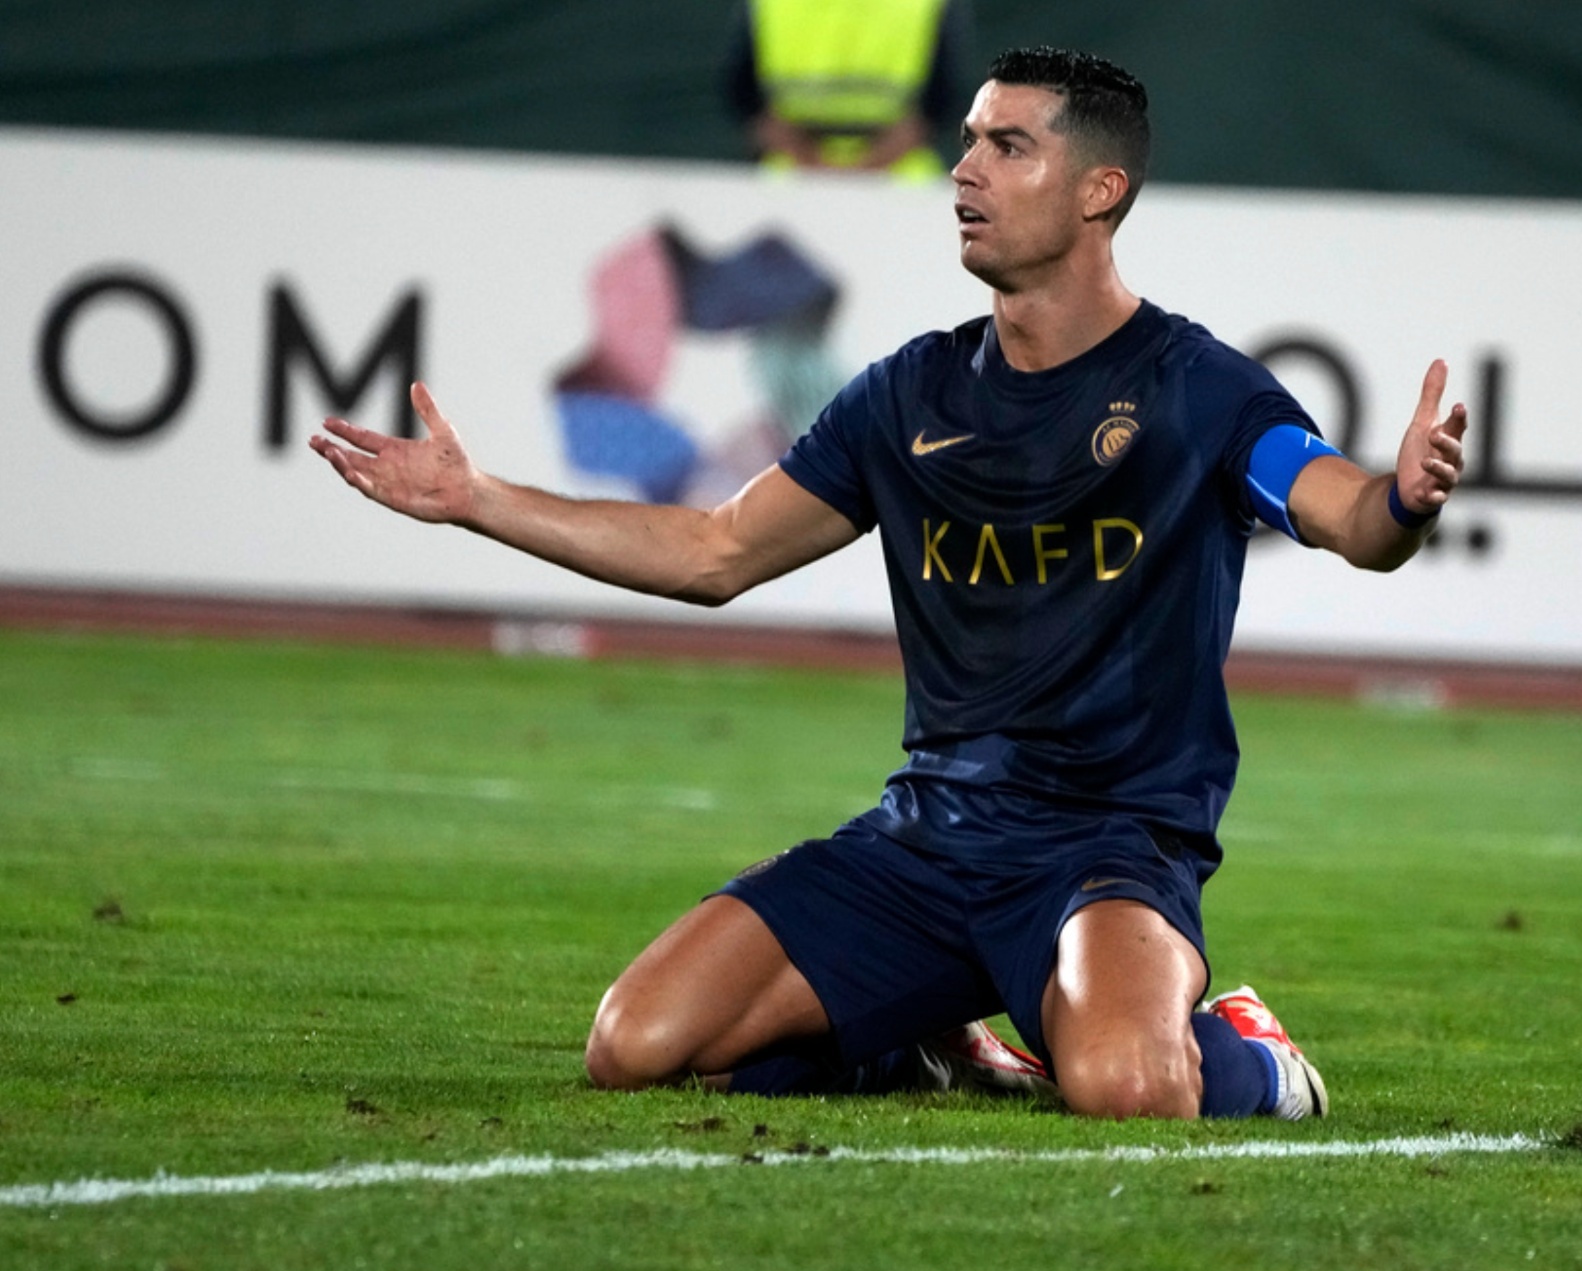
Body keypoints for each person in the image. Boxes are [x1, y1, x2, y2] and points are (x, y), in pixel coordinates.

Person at [310, 47, 1466, 1121]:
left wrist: (1403, 499)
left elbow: (1347, 516)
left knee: (1125, 1085)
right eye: (968, 139)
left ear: (1098, 190)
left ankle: (1253, 1055)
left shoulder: (1198, 389)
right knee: (636, 1046)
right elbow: (715, 553)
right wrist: (480, 500)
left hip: (1107, 850)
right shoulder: (908, 394)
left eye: (1009, 146)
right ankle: (918, 1032)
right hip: (925, 839)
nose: (964, 169)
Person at [722, 0, 973, 180]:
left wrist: (838, 174)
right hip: (793, 176)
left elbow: (937, 108)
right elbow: (747, 101)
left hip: (897, 177)